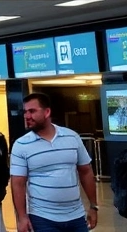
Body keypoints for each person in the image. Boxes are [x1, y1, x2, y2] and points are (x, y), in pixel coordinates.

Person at [11, 93, 97, 232]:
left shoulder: (72, 137)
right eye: (25, 112)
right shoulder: (21, 145)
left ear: (47, 112)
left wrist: (93, 206)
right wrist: (22, 217)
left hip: (76, 216)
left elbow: (86, 171)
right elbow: (18, 183)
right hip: (42, 218)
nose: (27, 116)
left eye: (32, 111)